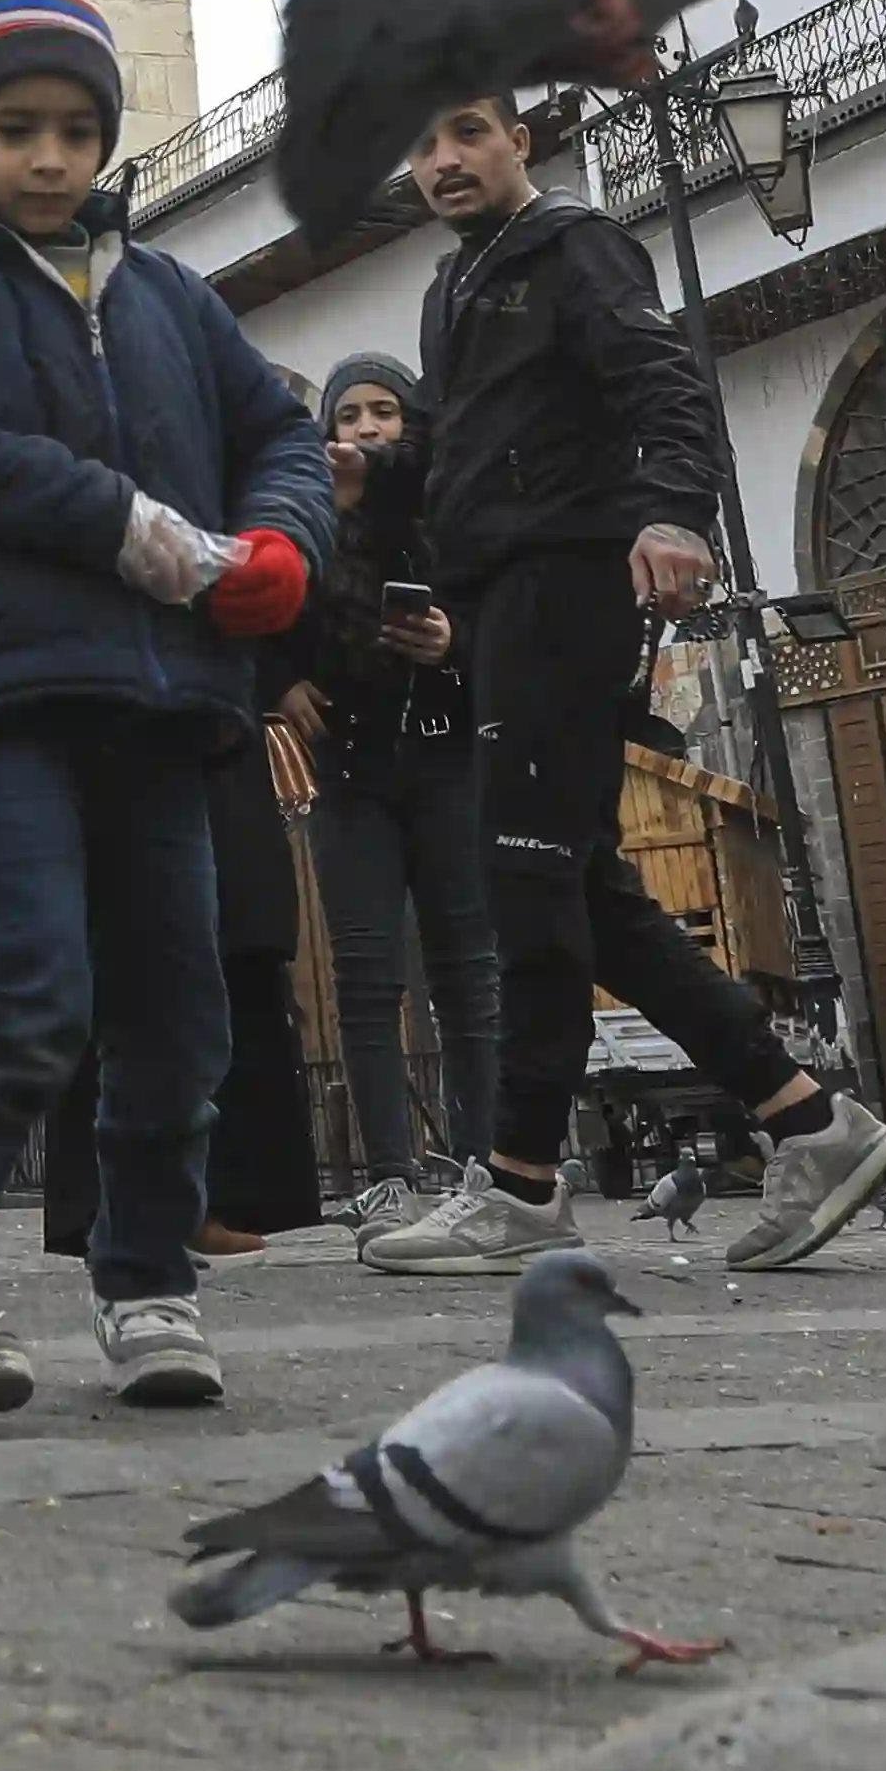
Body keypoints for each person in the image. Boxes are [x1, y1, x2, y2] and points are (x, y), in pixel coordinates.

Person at [0, 0, 329, 1415]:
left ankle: (148, 1271)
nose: (48, 159)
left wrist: (286, 547)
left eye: (76, 130)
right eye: (13, 129)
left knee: (179, 996)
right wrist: (111, 517)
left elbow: (276, 433)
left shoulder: (170, 299)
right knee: (40, 968)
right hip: (8, 680)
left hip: (164, 699)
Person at [379, 88, 886, 1277]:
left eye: (466, 129)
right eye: (423, 142)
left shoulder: (576, 247)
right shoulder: (454, 286)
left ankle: (519, 1182)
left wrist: (674, 511)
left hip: (566, 586)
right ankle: (809, 1120)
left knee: (530, 885)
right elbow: (467, 451)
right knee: (576, 885)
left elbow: (663, 385)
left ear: (522, 140)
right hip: (498, 606)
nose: (444, 158)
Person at [279, 356, 504, 1222]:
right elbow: (266, 613)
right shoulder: (311, 520)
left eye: (384, 411)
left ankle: (485, 1162)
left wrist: (451, 642)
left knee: (467, 973)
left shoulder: (452, 510)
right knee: (366, 974)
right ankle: (389, 1169)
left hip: (449, 767)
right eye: (349, 416)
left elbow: (500, 625)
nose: (367, 428)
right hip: (351, 771)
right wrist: (286, 684)